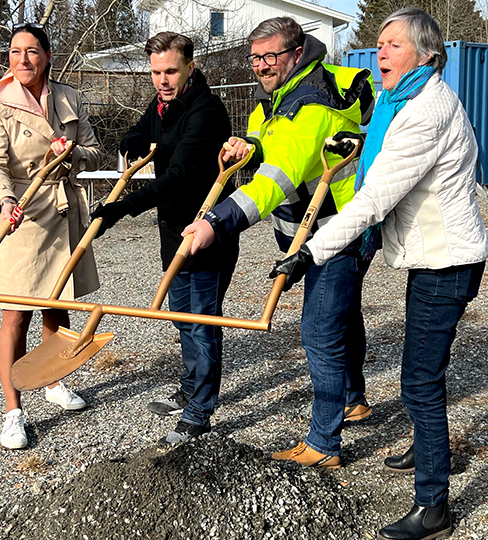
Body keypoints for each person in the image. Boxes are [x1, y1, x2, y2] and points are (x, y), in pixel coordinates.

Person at [268, 8, 488, 540]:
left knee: (419, 379)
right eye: (380, 44)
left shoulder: (423, 114)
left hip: (447, 262)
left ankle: (433, 505)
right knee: (422, 372)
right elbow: (379, 155)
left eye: (393, 45)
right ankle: (427, 444)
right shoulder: (402, 102)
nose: (381, 53)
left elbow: (373, 199)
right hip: (437, 258)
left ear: (427, 56)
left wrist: (309, 253)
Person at [182, 17, 376, 467]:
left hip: (336, 234)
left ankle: (324, 444)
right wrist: (248, 145)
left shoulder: (310, 105)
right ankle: (353, 397)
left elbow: (278, 177)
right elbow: (271, 144)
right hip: (316, 233)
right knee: (343, 314)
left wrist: (219, 220)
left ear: (296, 52)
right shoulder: (276, 98)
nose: (262, 66)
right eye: (255, 57)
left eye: (271, 56)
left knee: (319, 331)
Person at [89, 32, 238, 448]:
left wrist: (121, 208)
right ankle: (191, 386)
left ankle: (200, 410)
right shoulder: (161, 107)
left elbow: (179, 177)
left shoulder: (205, 111)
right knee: (180, 316)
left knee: (203, 321)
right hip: (172, 230)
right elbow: (134, 135)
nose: (162, 80)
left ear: (190, 66)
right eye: (156, 72)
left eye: (170, 70)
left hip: (207, 230)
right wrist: (138, 140)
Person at [0, 23, 103, 450]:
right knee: (16, 313)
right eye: (15, 52)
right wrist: (4, 199)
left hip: (63, 210)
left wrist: (70, 151)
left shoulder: (69, 97)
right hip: (20, 214)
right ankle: (13, 412)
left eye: (31, 51)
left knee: (57, 306)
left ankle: (53, 383)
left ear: (48, 56)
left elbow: (93, 150)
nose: (23, 60)